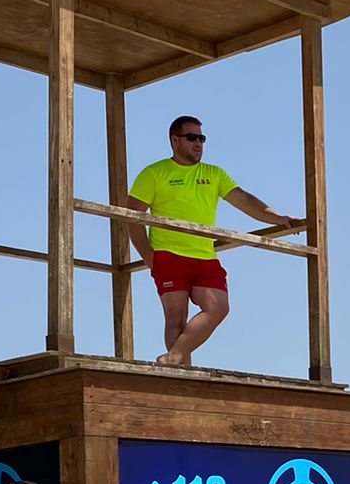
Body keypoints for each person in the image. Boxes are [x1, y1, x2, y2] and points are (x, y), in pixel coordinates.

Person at [121, 115, 304, 369]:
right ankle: (182, 372)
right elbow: (132, 216)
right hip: (168, 254)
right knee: (176, 318)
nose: (199, 143)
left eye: (202, 138)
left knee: (218, 307)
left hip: (204, 256)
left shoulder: (214, 173)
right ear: (175, 140)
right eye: (192, 137)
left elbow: (244, 199)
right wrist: (148, 255)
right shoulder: (154, 173)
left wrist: (278, 217)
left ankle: (174, 357)